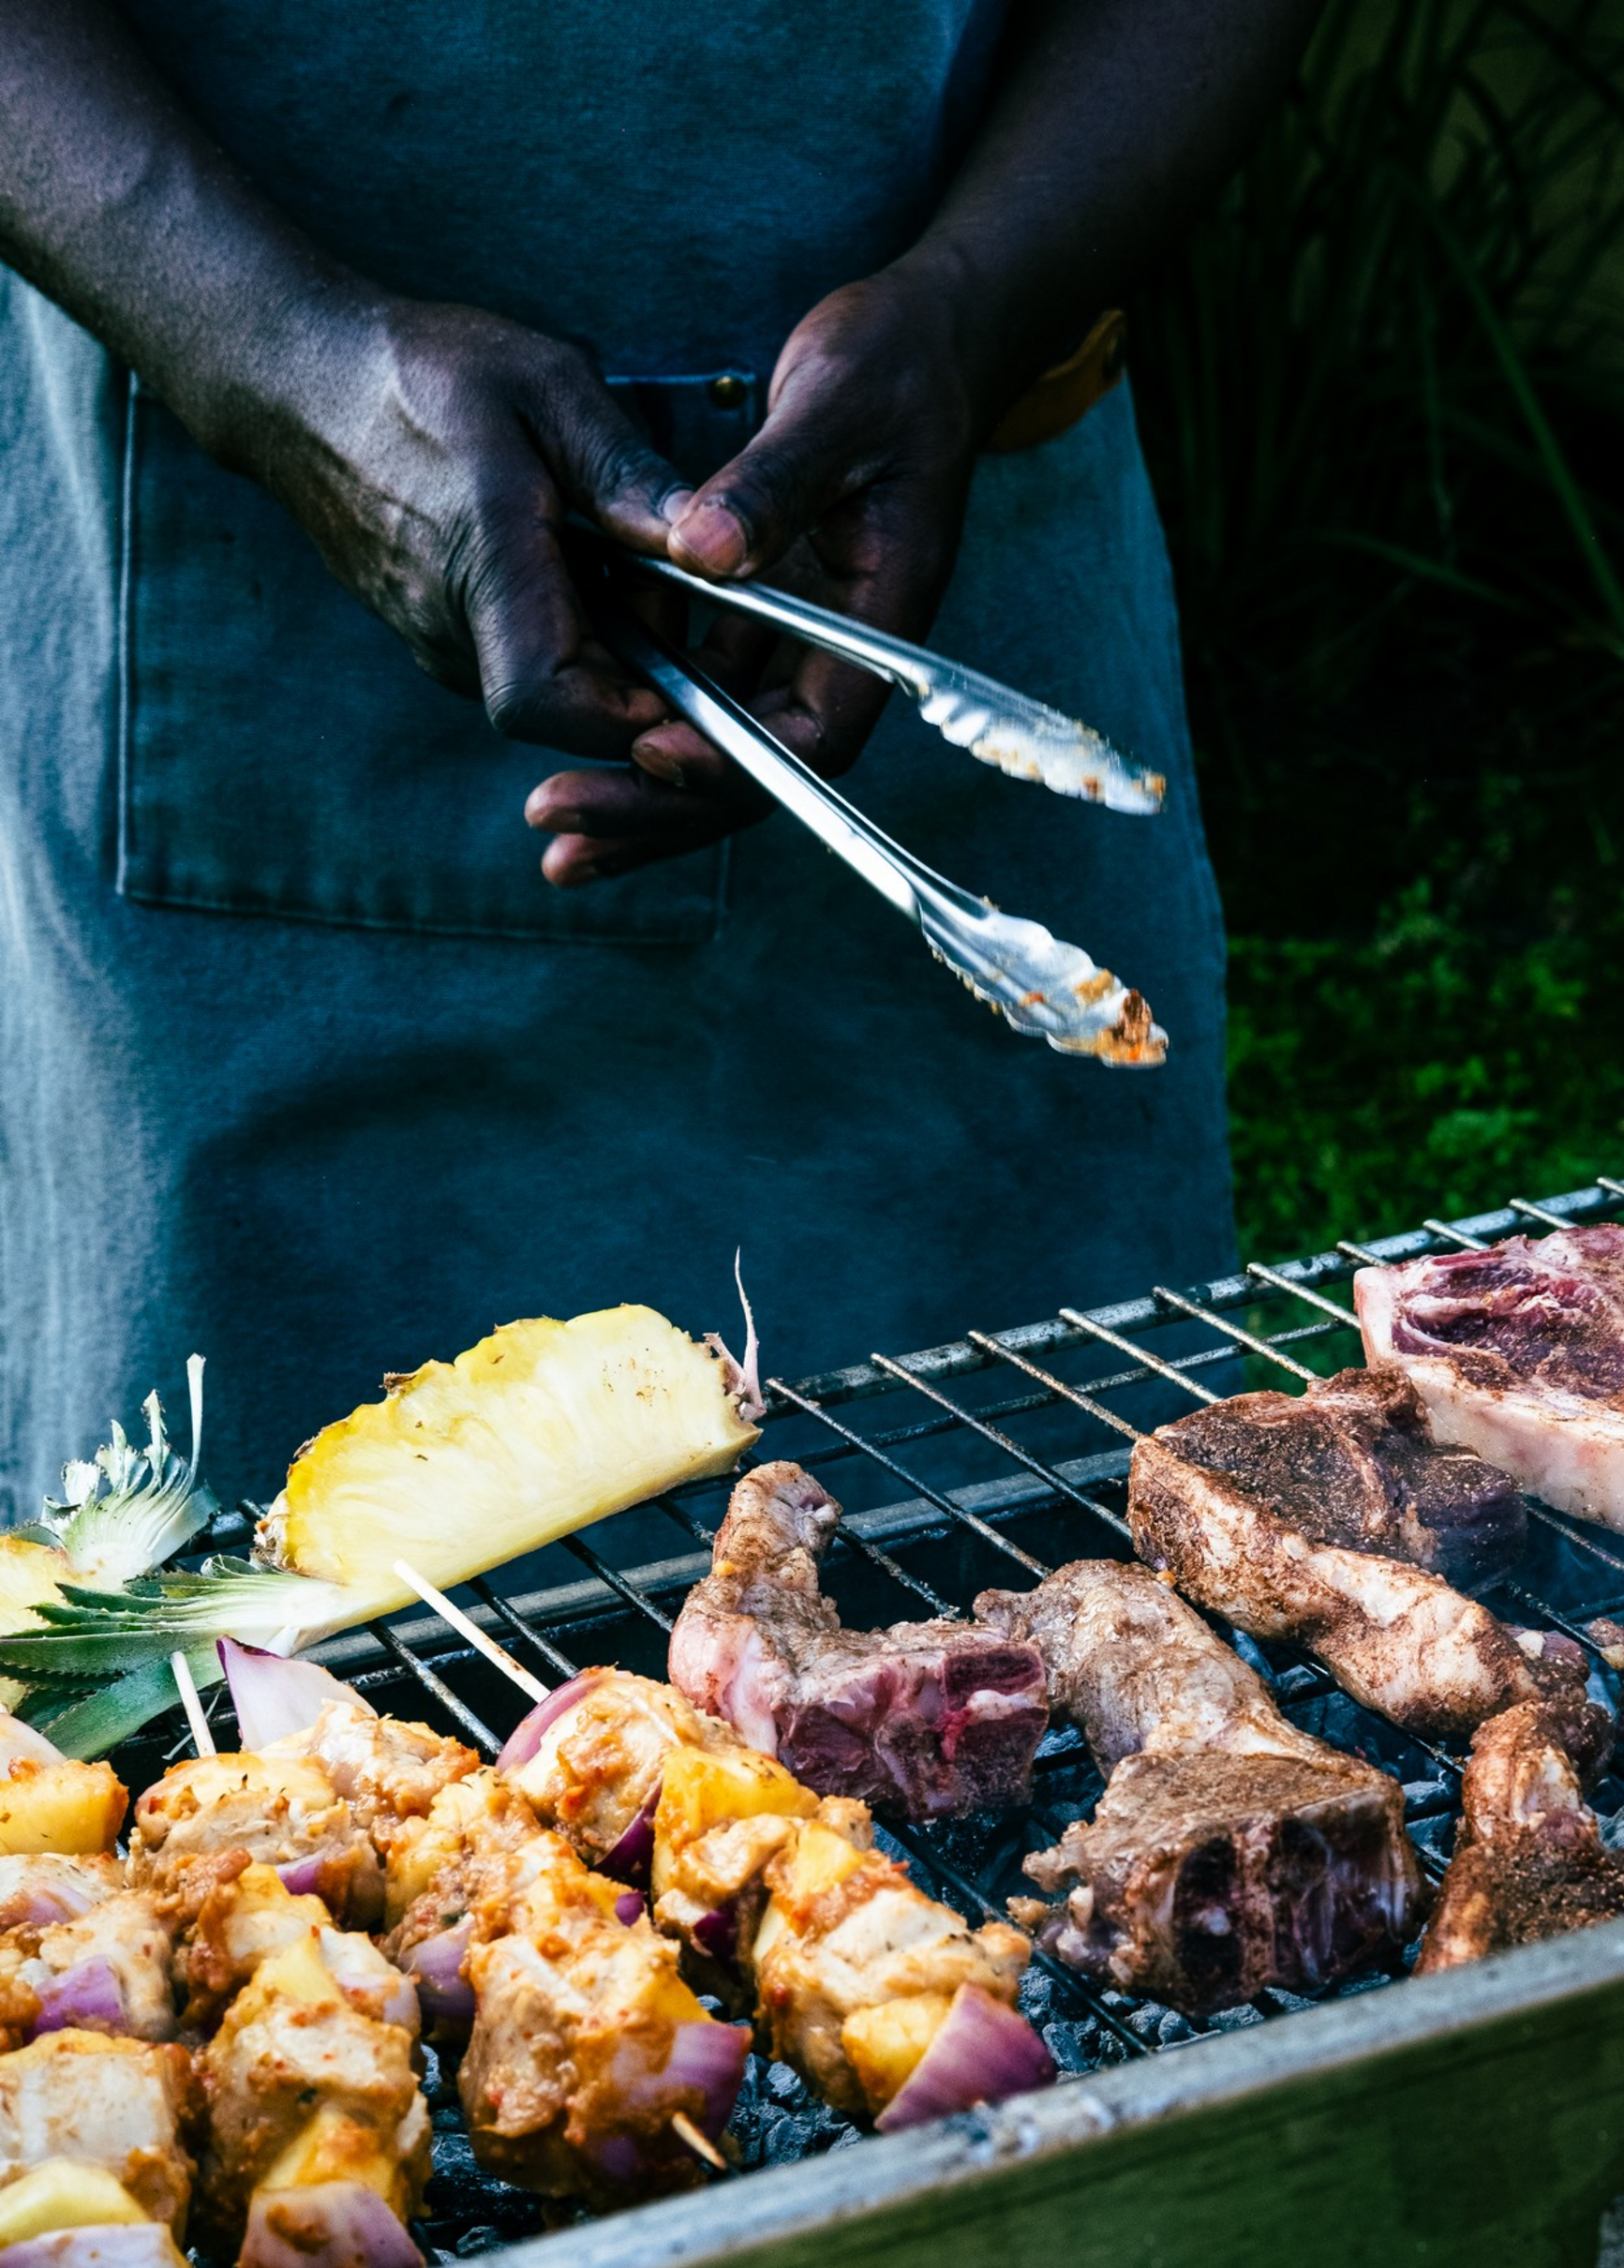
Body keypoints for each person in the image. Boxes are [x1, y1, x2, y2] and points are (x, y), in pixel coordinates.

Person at [0, 0, 1317, 1512]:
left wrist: (976, 302)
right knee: (258, 1620)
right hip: (262, 679)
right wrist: (277, 354)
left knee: (1073, 1570)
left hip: (969, 556)